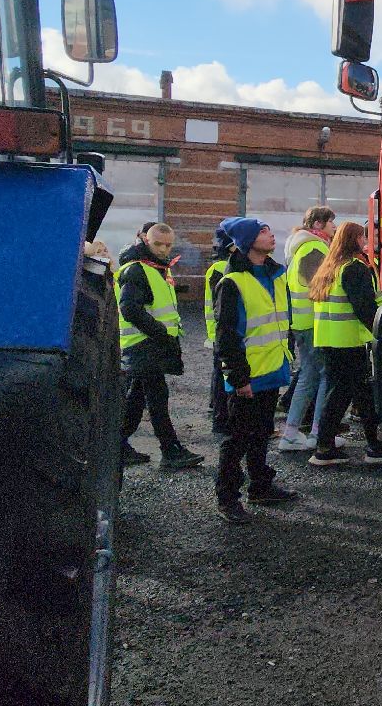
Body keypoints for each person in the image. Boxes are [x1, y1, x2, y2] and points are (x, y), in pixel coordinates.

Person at [212, 217, 299, 523]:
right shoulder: (232, 282)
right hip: (247, 377)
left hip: (271, 370)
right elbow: (227, 336)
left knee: (261, 433)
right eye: (263, 232)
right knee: (237, 439)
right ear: (248, 242)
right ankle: (227, 498)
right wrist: (238, 377)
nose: (271, 234)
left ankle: (261, 485)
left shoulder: (275, 274)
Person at [307, 222, 382, 467]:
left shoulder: (330, 268)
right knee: (354, 394)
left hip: (328, 341)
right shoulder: (354, 268)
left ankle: (327, 447)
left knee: (342, 394)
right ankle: (368, 446)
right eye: (362, 236)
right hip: (348, 342)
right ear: (355, 239)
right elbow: (365, 308)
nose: (364, 241)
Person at [117, 223, 204, 469]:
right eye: (158, 244)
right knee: (156, 398)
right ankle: (170, 450)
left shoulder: (153, 269)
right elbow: (129, 308)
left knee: (137, 399)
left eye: (168, 245)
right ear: (145, 240)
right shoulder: (138, 270)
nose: (164, 250)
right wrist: (161, 333)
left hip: (145, 346)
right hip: (145, 345)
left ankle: (118, 445)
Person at [274, 206, 336, 454]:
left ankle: (291, 433)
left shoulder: (298, 246)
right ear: (318, 224)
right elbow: (320, 286)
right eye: (332, 222)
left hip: (302, 322)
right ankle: (318, 434)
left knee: (308, 377)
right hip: (314, 323)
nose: (334, 226)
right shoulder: (314, 247)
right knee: (323, 376)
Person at [203, 223, 235, 438]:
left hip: (215, 331)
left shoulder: (217, 266)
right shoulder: (221, 269)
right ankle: (221, 420)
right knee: (224, 376)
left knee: (219, 374)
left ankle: (217, 411)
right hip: (220, 331)